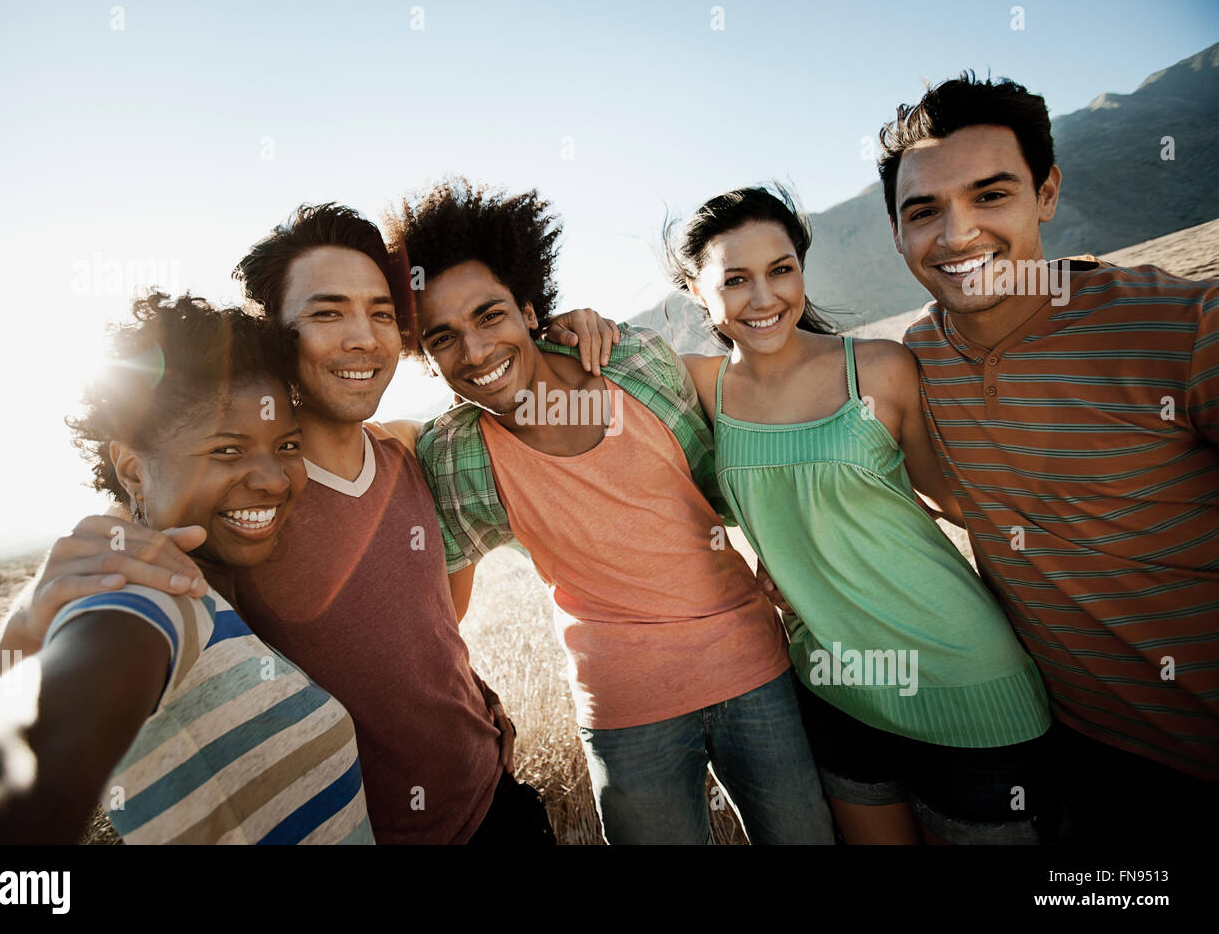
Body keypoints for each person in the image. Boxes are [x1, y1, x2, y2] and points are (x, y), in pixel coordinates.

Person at [10, 203, 610, 844]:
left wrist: (562, 334)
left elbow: (430, 629)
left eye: (381, 313)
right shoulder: (245, 509)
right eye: (328, 313)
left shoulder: (414, 452)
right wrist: (29, 622)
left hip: (498, 804)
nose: (363, 337)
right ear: (275, 335)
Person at [391, 178, 834, 845]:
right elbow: (441, 613)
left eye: (490, 316)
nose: (476, 351)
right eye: (444, 339)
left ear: (531, 309)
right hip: (625, 710)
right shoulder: (458, 458)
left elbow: (731, 491)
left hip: (753, 669)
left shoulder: (631, 361)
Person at [878, 72, 1219, 841]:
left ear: (1048, 193)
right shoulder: (914, 362)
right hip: (1081, 760)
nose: (956, 234)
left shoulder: (1180, 326)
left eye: (991, 195)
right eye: (924, 210)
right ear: (898, 234)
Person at [668, 184, 1053, 844]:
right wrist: (569, 325)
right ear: (698, 295)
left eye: (781, 270)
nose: (764, 299)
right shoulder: (703, 387)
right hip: (834, 687)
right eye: (735, 280)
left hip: (963, 676)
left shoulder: (878, 368)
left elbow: (954, 502)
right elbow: (598, 373)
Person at [0, 293, 373, 844]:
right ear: (132, 471)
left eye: (286, 445)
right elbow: (26, 727)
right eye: (227, 451)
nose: (275, 479)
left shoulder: (218, 588)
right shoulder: (153, 592)